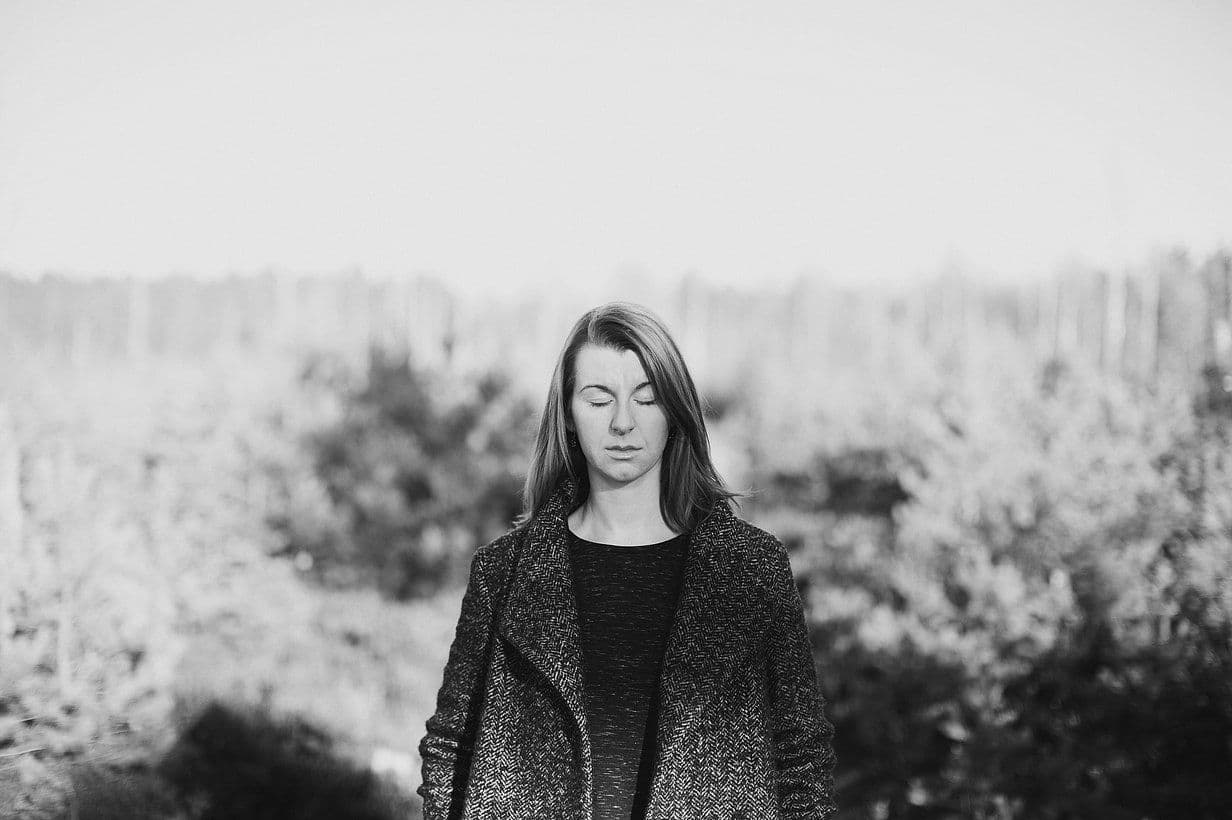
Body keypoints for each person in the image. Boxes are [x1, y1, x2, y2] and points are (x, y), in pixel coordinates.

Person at [417, 301, 837, 820]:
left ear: (674, 413)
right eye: (599, 400)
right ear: (568, 416)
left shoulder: (751, 568)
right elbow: (450, 747)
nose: (622, 422)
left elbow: (802, 757)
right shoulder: (504, 572)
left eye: (646, 398)